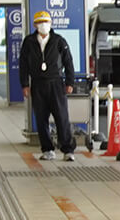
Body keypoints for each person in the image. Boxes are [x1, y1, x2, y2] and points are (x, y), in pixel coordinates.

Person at [19, 10, 77, 161]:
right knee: (41, 118)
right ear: (35, 25)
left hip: (56, 84)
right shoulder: (29, 42)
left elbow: (68, 62)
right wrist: (25, 84)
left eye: (46, 22)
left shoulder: (59, 41)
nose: (43, 25)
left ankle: (67, 150)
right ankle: (47, 149)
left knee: (61, 117)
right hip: (37, 85)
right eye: (39, 22)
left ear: (51, 24)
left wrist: (70, 82)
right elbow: (23, 64)